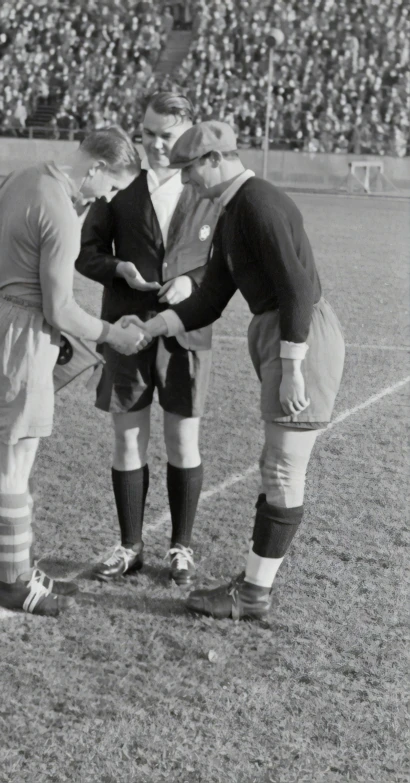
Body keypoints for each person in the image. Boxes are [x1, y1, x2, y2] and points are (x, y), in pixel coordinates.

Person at [125, 120, 345, 621]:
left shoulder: (258, 204)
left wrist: (293, 367)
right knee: (276, 466)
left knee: (284, 468)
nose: (185, 181)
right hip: (285, 336)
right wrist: (152, 326)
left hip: (300, 336)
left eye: (189, 169)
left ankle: (252, 594)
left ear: (214, 160)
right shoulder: (233, 212)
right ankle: (252, 585)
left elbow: (295, 289)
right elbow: (209, 299)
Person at [0, 127, 150, 617]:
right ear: (95, 169)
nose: (107, 197)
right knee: (13, 458)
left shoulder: (26, 175)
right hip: (22, 332)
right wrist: (113, 333)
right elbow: (62, 308)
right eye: (109, 187)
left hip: (0, 316)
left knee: (18, 452)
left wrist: (15, 273)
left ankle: (20, 570)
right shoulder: (62, 212)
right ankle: (12, 584)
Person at [76, 92, 221, 586]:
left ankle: (181, 547)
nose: (157, 145)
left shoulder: (206, 186)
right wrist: (119, 268)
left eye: (168, 135)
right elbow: (86, 254)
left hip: (186, 331)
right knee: (128, 438)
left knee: (183, 441)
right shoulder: (121, 186)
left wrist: (194, 282)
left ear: (188, 132)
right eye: (148, 133)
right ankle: (130, 546)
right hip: (128, 331)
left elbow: (227, 259)